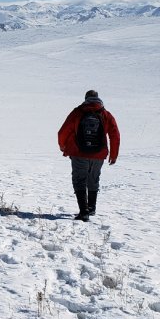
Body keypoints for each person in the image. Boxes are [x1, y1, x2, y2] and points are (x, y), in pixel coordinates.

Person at [58, 90, 120, 222]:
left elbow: (63, 131)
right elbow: (115, 135)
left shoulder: (78, 112)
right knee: (93, 179)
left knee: (79, 180)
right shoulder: (106, 114)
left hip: (79, 153)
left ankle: (84, 211)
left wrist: (63, 146)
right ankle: (91, 208)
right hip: (99, 154)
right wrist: (113, 155)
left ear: (86, 98)